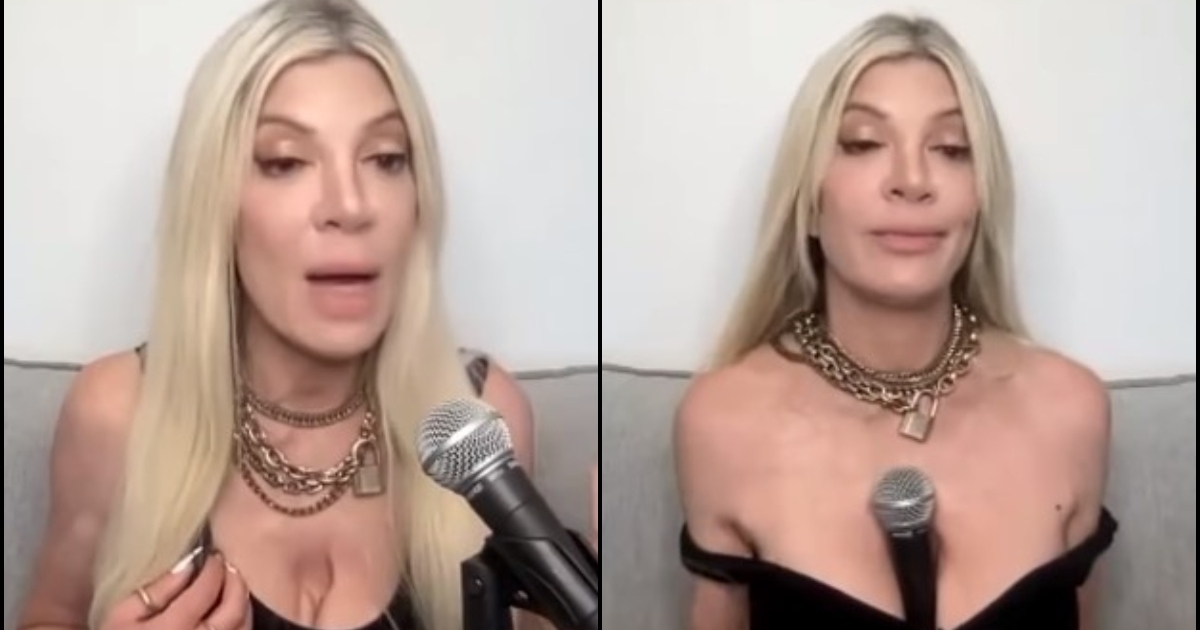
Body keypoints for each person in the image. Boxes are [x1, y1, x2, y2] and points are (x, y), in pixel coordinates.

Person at [16, 1, 597, 630]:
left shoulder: (480, 419)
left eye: (386, 158)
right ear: (215, 203)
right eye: (285, 162)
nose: (350, 205)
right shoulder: (119, 414)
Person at [673, 12, 1115, 630]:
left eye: (951, 149)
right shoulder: (724, 423)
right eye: (863, 143)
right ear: (808, 200)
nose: (912, 181)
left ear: (980, 197)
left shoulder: (1070, 410)